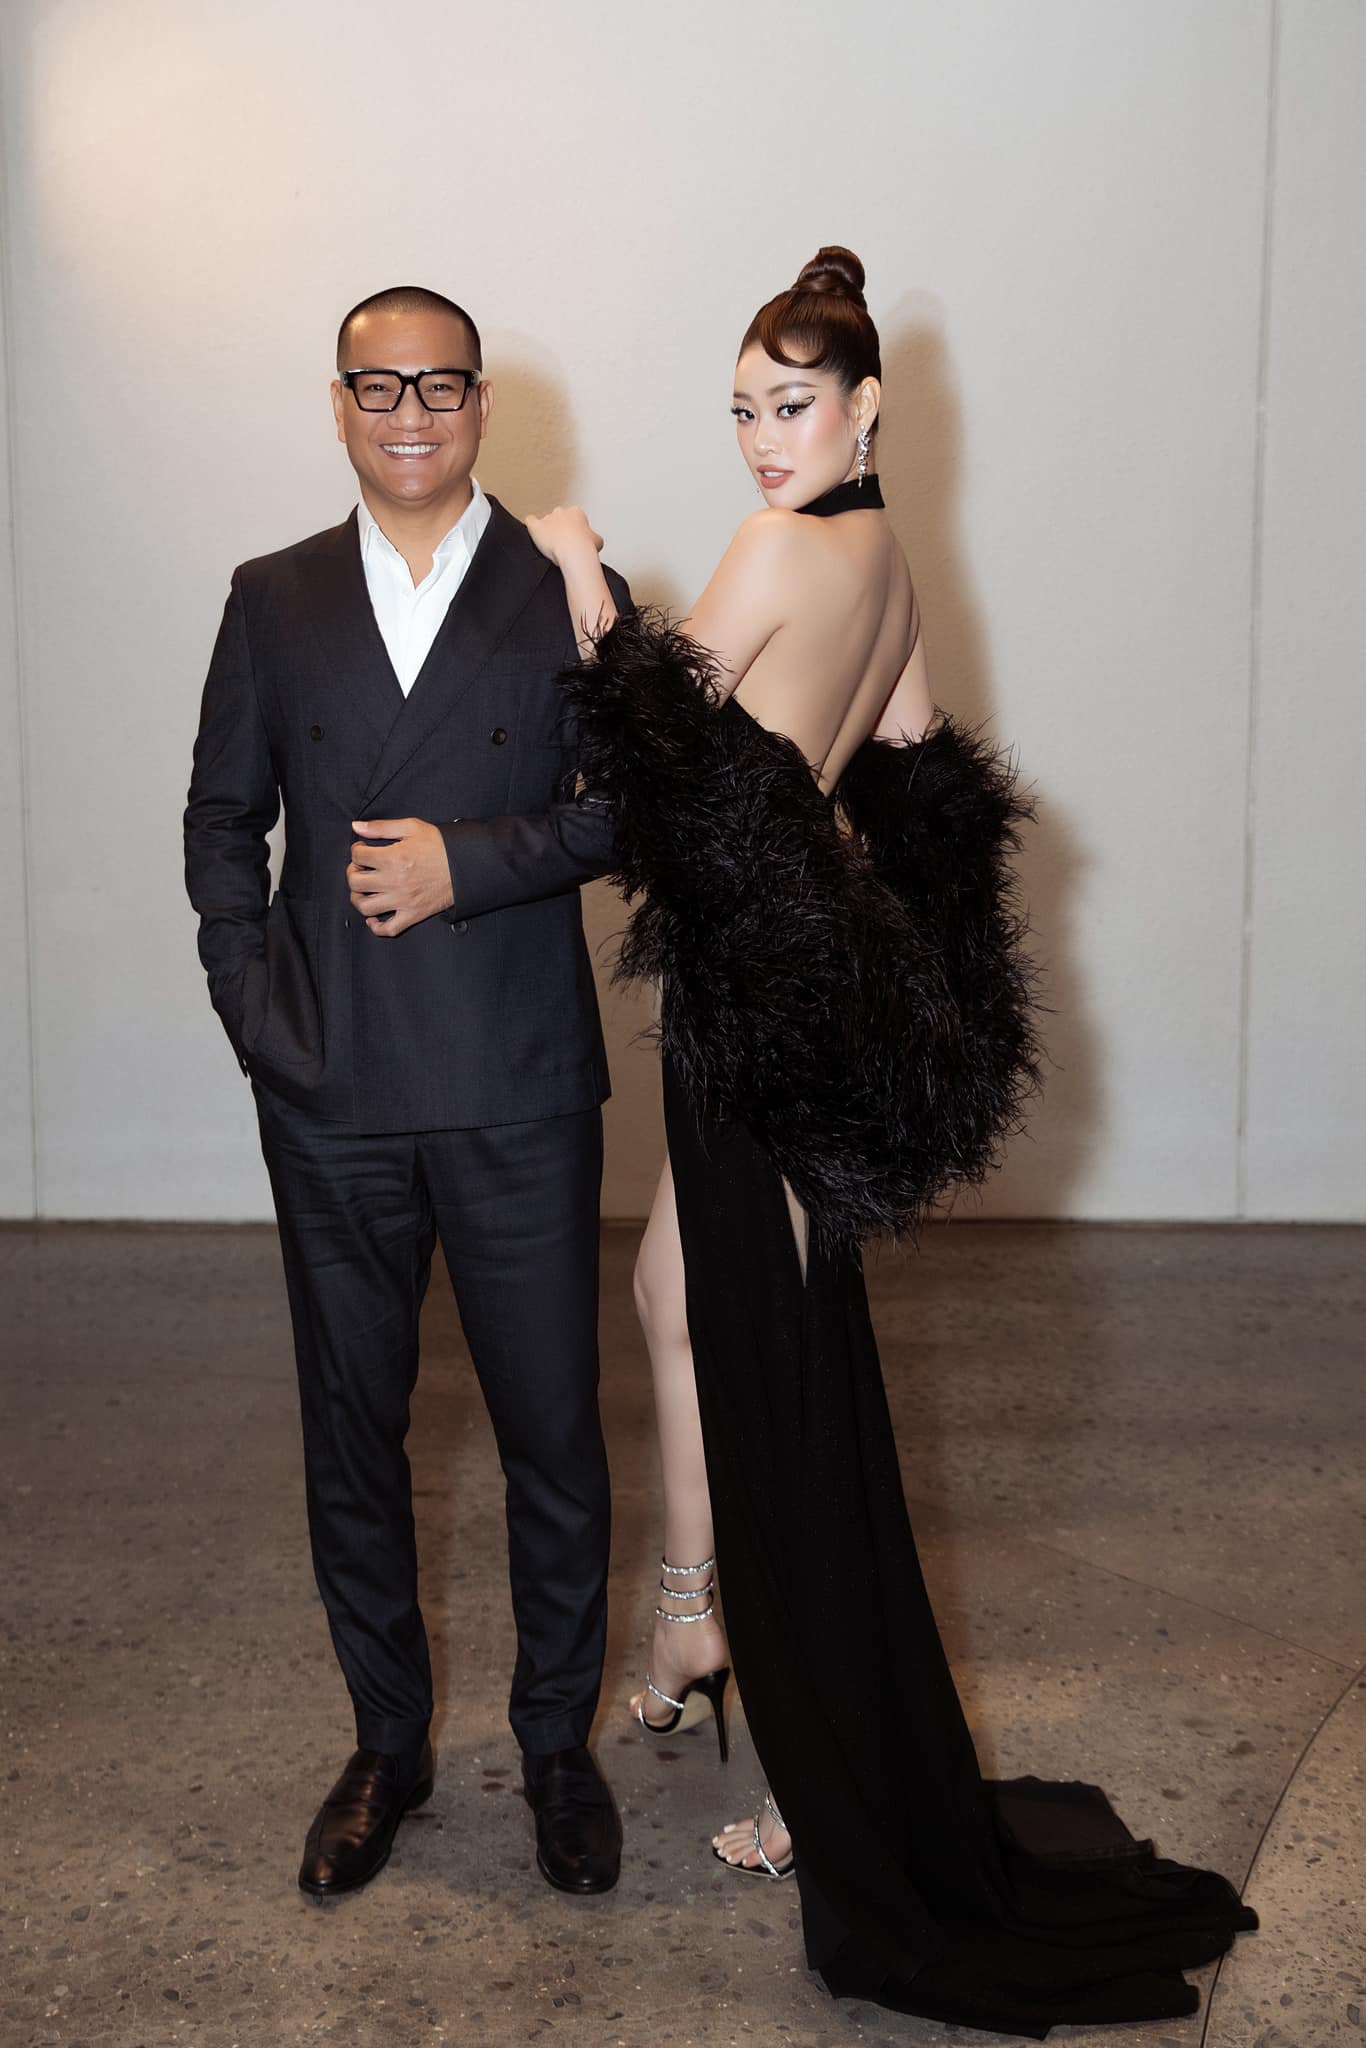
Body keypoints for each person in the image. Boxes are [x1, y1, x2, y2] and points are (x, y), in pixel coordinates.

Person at [525, 248, 1256, 2036]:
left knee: (783, 1392)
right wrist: (870, 961)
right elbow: (923, 785)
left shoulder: (779, 552)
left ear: (864, 407)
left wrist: (570, 572)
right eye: (741, 412)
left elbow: (645, 761)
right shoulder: (889, 562)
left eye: (791, 406)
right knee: (674, 1297)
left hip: (753, 1021)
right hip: (805, 1008)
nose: (762, 440)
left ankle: (810, 1765)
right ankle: (693, 1614)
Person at [184, 286, 629, 1902]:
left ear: (482, 403)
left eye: (439, 385)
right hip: (335, 1086)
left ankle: (559, 1749)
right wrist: (262, 1016)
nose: (410, 413)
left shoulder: (564, 589)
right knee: (351, 1434)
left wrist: (467, 864)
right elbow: (220, 822)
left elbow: (632, 807)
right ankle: (387, 1743)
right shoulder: (275, 594)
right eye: (379, 387)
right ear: (340, 404)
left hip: (516, 1080)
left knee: (551, 1436)